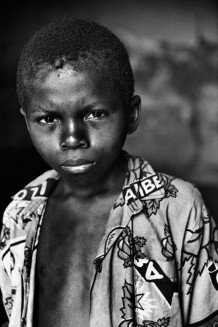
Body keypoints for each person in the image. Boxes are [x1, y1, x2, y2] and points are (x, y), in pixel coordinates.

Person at [0, 18, 217, 327]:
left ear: (131, 115)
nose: (72, 138)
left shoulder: (178, 208)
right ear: (27, 123)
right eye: (49, 118)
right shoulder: (19, 215)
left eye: (95, 113)